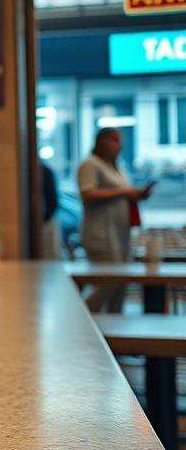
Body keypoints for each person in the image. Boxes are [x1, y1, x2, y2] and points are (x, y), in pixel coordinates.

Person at [77, 127, 152, 312]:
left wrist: (136, 195)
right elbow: (87, 194)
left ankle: (115, 322)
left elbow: (121, 193)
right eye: (114, 140)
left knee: (121, 282)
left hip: (120, 234)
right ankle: (83, 314)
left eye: (120, 141)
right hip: (101, 235)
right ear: (102, 142)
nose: (119, 145)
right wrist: (124, 192)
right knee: (111, 281)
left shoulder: (117, 166)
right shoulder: (90, 164)